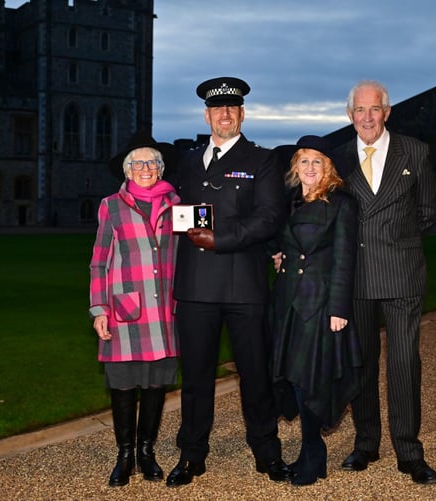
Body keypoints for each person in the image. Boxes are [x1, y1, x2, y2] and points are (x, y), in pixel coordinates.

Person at [165, 76, 291, 487]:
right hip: (196, 286)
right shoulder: (186, 160)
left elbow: (270, 217)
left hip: (244, 286)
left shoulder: (263, 160)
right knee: (196, 377)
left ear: (242, 114)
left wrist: (221, 239)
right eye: (218, 109)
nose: (225, 115)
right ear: (207, 115)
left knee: (255, 374)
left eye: (232, 109)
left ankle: (267, 452)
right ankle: (192, 453)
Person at [335, 80, 436, 484]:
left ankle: (409, 452)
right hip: (356, 276)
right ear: (350, 115)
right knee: (361, 363)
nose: (366, 117)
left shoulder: (414, 151)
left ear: (387, 111)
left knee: (403, 363)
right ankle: (365, 443)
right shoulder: (339, 158)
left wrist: (395, 238)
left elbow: (428, 210)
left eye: (374, 109)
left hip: (402, 273)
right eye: (359, 110)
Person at [269, 135, 363, 486]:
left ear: (329, 169)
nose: (309, 167)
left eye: (317, 161)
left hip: (320, 304)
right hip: (288, 302)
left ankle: (314, 455)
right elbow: (279, 241)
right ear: (295, 166)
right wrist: (277, 255)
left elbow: (345, 259)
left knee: (311, 380)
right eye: (304, 161)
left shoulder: (342, 204)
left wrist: (338, 308)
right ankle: (310, 452)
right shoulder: (291, 201)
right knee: (294, 377)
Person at [88, 133, 180, 487]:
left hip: (166, 310)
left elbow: (197, 248)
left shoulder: (178, 204)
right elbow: (99, 262)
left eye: (152, 163)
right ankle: (124, 454)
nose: (145, 168)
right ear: (127, 171)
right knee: (124, 386)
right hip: (125, 309)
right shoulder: (110, 206)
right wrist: (99, 309)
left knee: (156, 384)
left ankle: (147, 451)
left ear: (160, 169)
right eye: (137, 163)